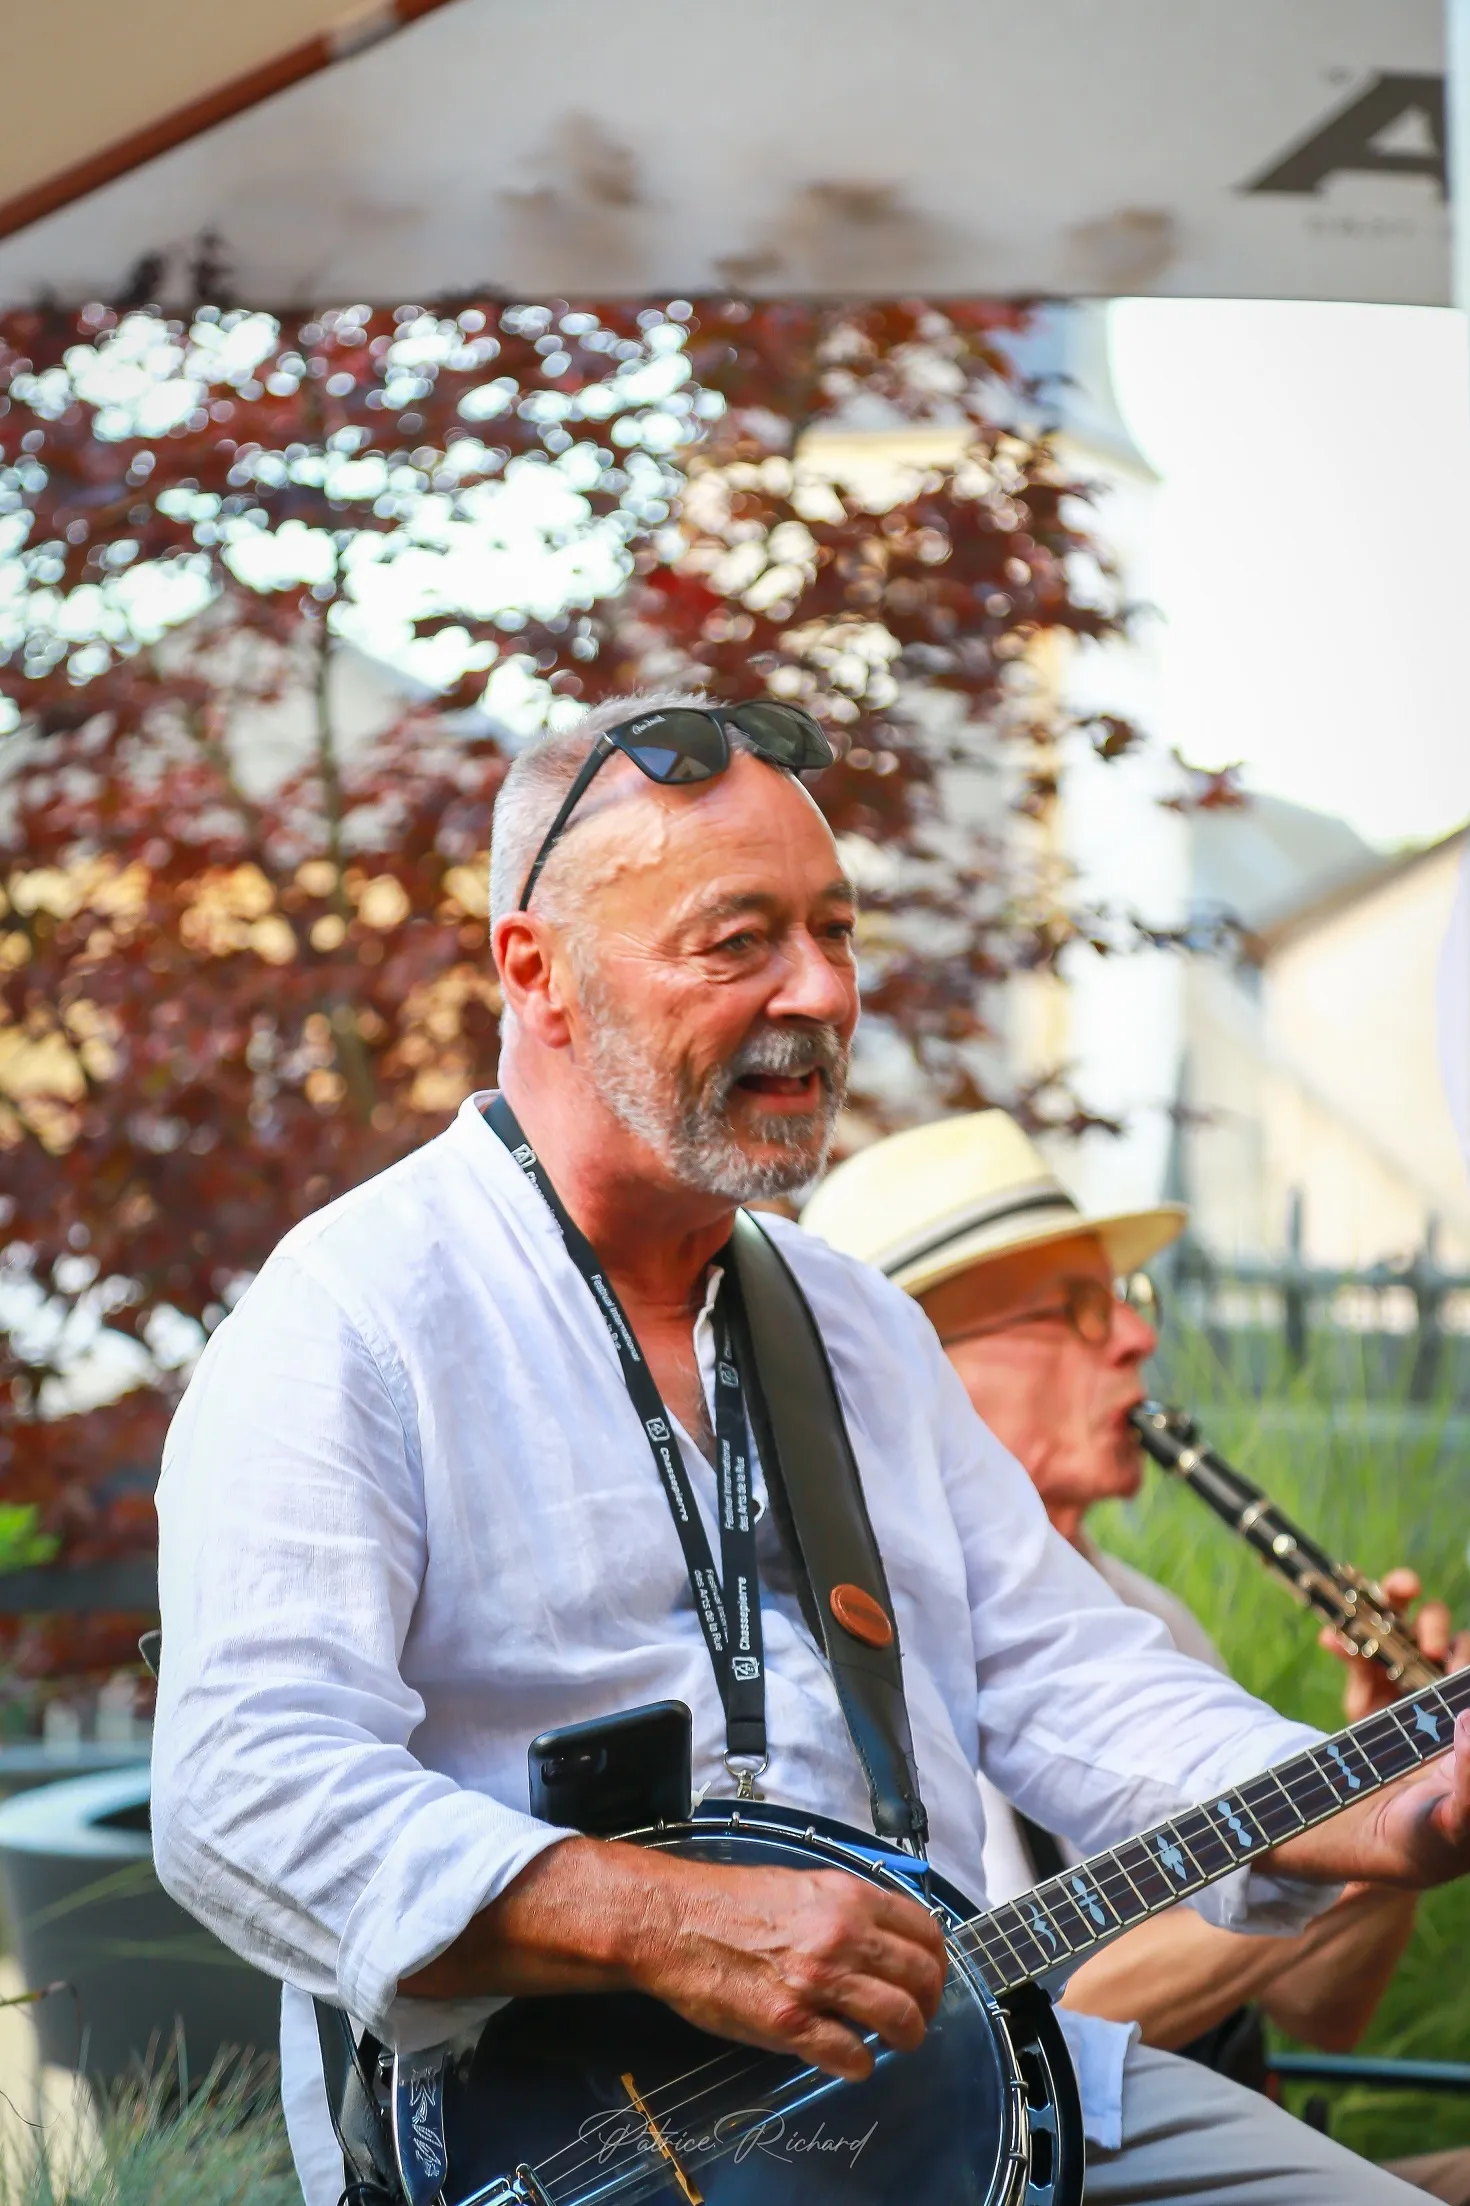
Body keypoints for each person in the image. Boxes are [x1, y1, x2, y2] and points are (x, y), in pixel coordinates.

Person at [151, 691, 1470, 2206]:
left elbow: (1062, 1675)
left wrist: (1364, 1804)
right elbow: (239, 1787)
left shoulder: (859, 1327)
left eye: (835, 932)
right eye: (739, 941)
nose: (822, 992)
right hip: (539, 2149)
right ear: (539, 972)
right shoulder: (350, 1319)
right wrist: (662, 1919)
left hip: (953, 2076)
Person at [801, 1112, 1470, 2173]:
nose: (1135, 1337)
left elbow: (1318, 2005)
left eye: (1124, 1300)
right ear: (914, 1369)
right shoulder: (852, 1660)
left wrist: (1399, 1792)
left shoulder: (1144, 1618)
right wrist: (1326, 1819)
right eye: (1073, 1310)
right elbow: (1010, 2026)